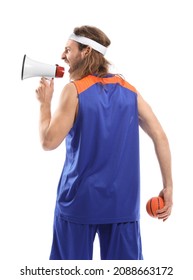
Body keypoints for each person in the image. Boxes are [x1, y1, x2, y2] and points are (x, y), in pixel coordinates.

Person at [35, 25, 173, 260]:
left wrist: (44, 103)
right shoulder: (129, 90)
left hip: (78, 204)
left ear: (86, 51)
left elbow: (48, 141)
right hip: (122, 206)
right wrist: (168, 186)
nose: (62, 56)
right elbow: (160, 135)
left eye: (68, 50)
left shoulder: (74, 90)